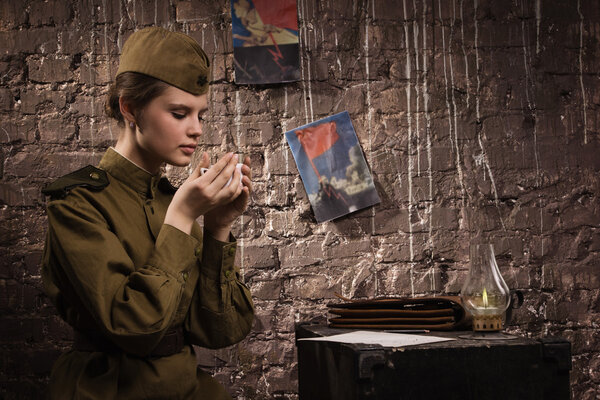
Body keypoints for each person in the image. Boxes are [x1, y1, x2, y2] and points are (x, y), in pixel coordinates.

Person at [41, 27, 254, 399]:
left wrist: (219, 226)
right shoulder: (77, 203)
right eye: (179, 113)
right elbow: (133, 326)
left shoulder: (171, 200)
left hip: (186, 385)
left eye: (200, 114)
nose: (196, 130)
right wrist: (182, 217)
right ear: (130, 108)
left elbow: (219, 331)